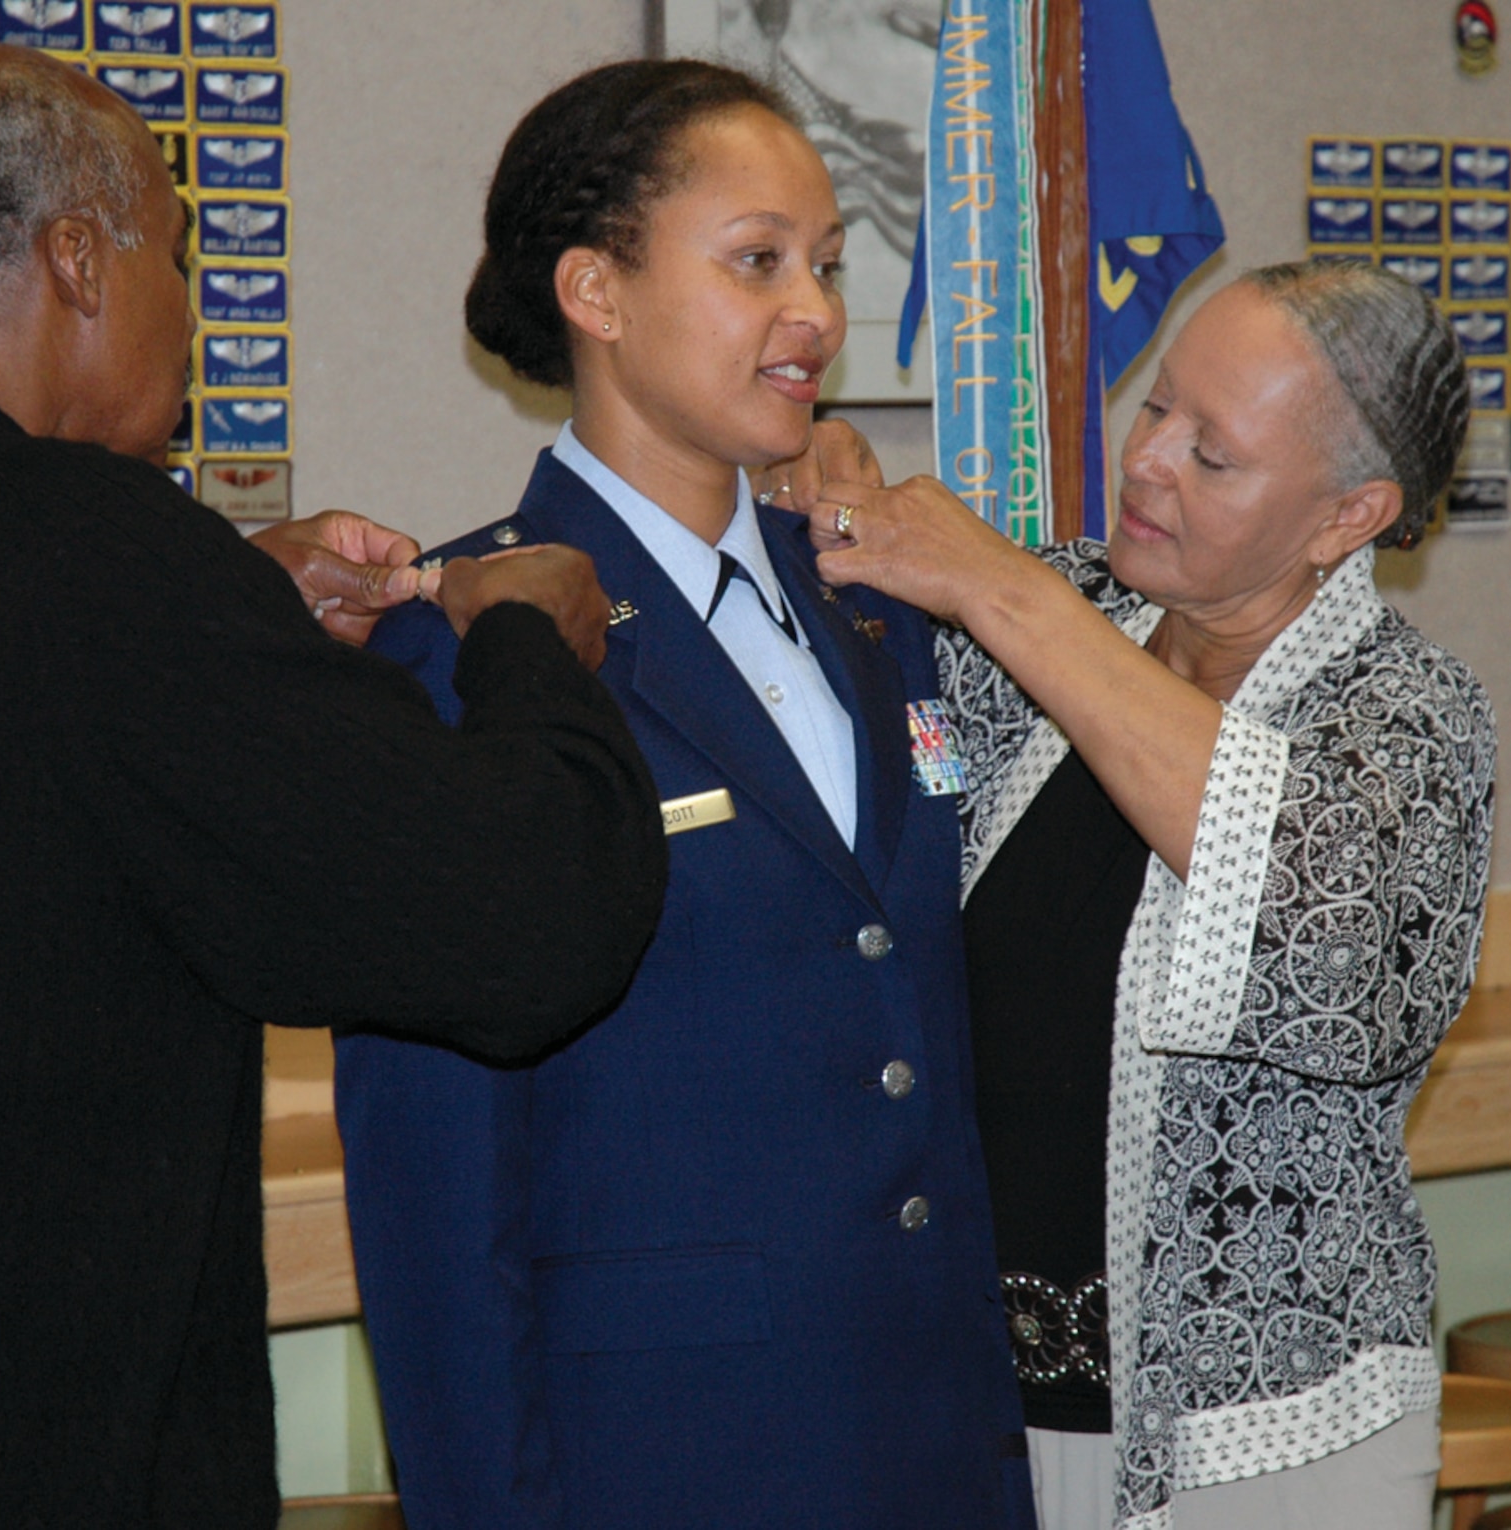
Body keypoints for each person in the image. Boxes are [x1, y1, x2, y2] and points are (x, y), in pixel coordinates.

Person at [0, 43, 669, 1530]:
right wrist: (538, 642)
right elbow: (526, 924)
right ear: (79, 261)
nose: (194, 314)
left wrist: (220, 608)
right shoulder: (91, 555)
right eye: (174, 249)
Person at [336, 59, 1033, 1529]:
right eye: (758, 262)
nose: (819, 316)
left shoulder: (877, 612)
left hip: (929, 1437)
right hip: (659, 1453)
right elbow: (437, 1188)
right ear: (595, 289)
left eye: (830, 265)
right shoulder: (471, 643)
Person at [791, 260, 1495, 1530]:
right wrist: (822, 484)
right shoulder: (1058, 620)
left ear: (1348, 517)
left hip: (1267, 1443)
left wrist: (1008, 591)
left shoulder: (1407, 721)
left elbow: (1328, 966)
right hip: (983, 1410)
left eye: (1210, 455)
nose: (1148, 458)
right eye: (1157, 405)